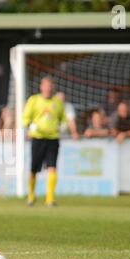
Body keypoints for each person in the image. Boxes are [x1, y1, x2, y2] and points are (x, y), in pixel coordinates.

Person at [22, 77, 77, 207]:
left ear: (52, 87)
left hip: (53, 139)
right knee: (34, 169)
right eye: (45, 86)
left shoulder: (57, 103)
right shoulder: (34, 100)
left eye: (50, 86)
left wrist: (62, 127)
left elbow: (64, 119)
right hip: (38, 138)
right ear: (41, 87)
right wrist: (30, 126)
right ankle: (31, 195)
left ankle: (50, 198)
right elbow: (25, 118)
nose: (48, 88)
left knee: (52, 167)